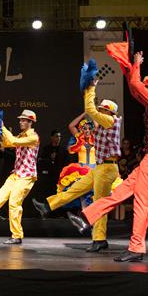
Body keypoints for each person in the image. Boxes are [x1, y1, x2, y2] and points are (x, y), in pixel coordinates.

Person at [68, 49, 148, 262]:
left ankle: (136, 248)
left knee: (142, 204)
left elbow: (136, 86)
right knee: (118, 194)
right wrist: (126, 67)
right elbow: (134, 89)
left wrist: (136, 65)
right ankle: (86, 218)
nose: (144, 91)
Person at [34, 76, 122, 252]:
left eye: (102, 110)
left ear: (108, 112)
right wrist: (88, 92)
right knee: (75, 189)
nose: (99, 112)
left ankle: (99, 239)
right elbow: (89, 115)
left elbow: (90, 109)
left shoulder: (110, 121)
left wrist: (91, 88)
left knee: (98, 203)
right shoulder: (103, 124)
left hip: (107, 168)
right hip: (99, 168)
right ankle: (48, 206)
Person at [0, 110, 39, 244]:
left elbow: (13, 141)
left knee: (14, 203)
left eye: (24, 120)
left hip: (27, 176)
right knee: (0, 195)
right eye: (20, 120)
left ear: (31, 122)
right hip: (16, 174)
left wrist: (2, 126)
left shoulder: (33, 137)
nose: (21, 122)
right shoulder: (21, 136)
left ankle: (17, 235)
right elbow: (8, 143)